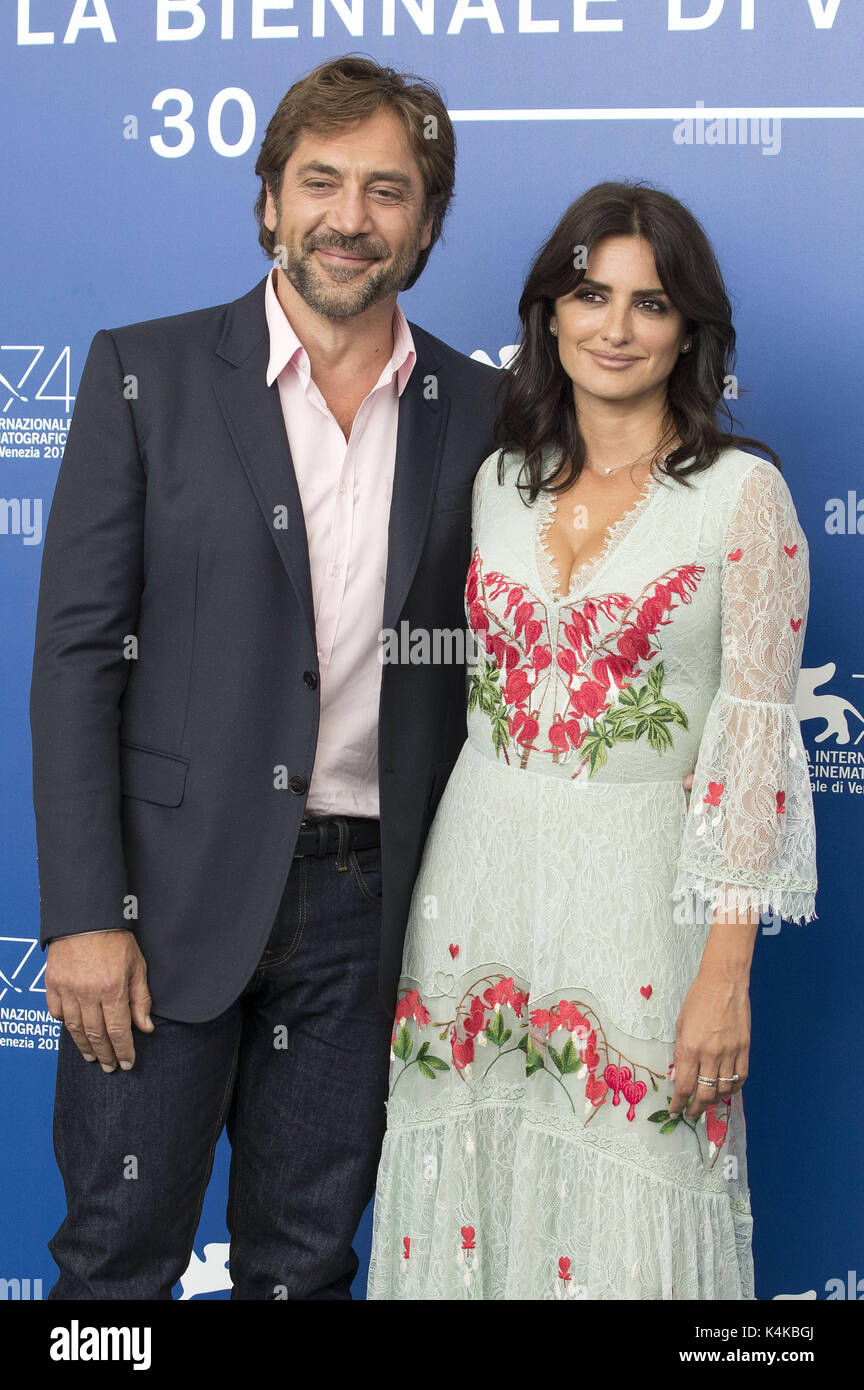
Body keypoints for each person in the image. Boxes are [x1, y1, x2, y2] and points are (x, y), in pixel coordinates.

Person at [29, 55, 504, 1300]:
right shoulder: (148, 374)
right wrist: (83, 914)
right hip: (161, 911)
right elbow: (76, 658)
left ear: (427, 222)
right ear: (268, 204)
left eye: (388, 191)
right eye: (322, 182)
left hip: (368, 913)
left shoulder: (488, 411)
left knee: (302, 1265)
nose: (351, 218)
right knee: (112, 1266)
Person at [367, 181, 818, 1300]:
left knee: (638, 1184)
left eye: (649, 303)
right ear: (550, 313)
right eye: (589, 294)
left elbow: (749, 750)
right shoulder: (497, 482)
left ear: (688, 330)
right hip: (478, 872)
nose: (615, 328)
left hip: (642, 893)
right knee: (472, 1158)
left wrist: (726, 971)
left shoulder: (743, 497)